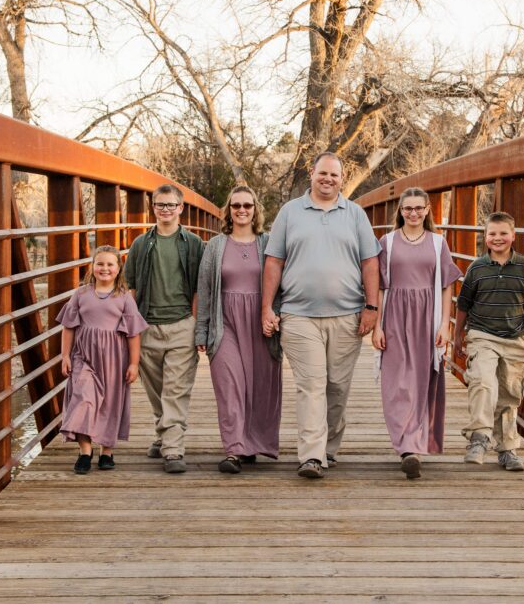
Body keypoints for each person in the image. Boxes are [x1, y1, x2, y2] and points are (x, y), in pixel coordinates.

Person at [261, 152, 381, 479]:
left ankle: (329, 447)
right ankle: (311, 456)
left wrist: (371, 307)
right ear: (311, 173)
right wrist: (266, 306)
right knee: (311, 385)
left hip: (347, 316)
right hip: (299, 315)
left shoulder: (355, 214)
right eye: (322, 173)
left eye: (334, 175)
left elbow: (370, 262)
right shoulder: (290, 212)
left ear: (342, 179)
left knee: (337, 388)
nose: (328, 179)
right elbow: (273, 261)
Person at [372, 188, 462, 479]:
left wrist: (445, 324)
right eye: (407, 208)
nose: (412, 213)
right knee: (396, 382)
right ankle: (406, 443)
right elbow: (381, 287)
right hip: (396, 315)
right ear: (400, 210)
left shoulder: (438, 243)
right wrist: (377, 326)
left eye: (418, 208)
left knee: (422, 380)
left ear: (427, 210)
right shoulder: (387, 242)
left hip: (428, 315)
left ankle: (412, 447)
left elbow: (448, 286)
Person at [195, 186, 282, 474]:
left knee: (260, 386)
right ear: (228, 210)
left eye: (247, 205)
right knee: (230, 385)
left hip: (261, 322)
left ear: (255, 208)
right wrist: (202, 331)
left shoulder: (269, 242)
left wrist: (277, 315)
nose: (242, 210)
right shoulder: (216, 245)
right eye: (236, 206)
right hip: (226, 323)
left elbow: (283, 282)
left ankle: (253, 445)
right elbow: (205, 290)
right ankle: (233, 449)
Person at [453, 211, 524, 472]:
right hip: (482, 335)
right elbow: (463, 305)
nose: (498, 238)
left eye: (503, 233)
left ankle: (507, 449)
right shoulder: (477, 268)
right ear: (485, 237)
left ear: (513, 236)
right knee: (483, 380)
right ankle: (480, 436)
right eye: (492, 234)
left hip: (516, 339)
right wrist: (457, 335)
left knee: (509, 395)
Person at [125, 184, 205, 474]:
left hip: (182, 323)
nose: (166, 210)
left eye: (171, 205)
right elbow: (130, 289)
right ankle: (164, 432)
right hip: (147, 326)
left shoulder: (194, 244)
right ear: (153, 207)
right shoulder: (140, 244)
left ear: (181, 208)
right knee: (156, 390)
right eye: (160, 205)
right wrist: (129, 329)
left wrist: (198, 325)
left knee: (175, 389)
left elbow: (200, 289)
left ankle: (173, 449)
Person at [56, 245, 148, 474]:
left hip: (114, 360)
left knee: (110, 402)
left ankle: (106, 451)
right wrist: (65, 355)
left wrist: (134, 363)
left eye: (110, 264)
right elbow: (68, 327)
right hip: (84, 357)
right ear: (92, 266)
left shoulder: (124, 298)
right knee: (83, 399)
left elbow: (133, 334)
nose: (104, 268)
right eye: (100, 264)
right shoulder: (81, 294)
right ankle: (85, 451)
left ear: (118, 269)